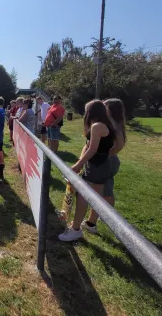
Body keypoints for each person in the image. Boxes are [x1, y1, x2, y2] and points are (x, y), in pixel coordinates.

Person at [58, 100, 116, 241]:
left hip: (96, 166)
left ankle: (76, 229)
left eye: (86, 111)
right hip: (102, 165)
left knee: (83, 196)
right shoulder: (107, 125)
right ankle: (89, 224)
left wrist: (78, 165)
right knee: (96, 197)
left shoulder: (96, 126)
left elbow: (92, 150)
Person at [84, 98, 127, 234]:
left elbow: (119, 145)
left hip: (106, 162)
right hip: (106, 161)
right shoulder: (107, 124)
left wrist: (106, 154)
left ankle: (94, 221)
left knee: (101, 193)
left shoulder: (113, 125)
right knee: (105, 192)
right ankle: (106, 217)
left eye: (104, 106)